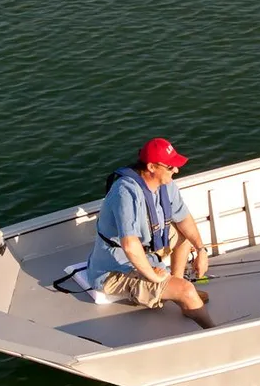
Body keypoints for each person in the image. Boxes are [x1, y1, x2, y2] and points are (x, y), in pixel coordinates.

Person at [86, 138, 214, 329]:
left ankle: (176, 289)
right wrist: (154, 277)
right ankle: (210, 327)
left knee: (184, 236)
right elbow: (130, 245)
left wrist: (201, 250)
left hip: (148, 253)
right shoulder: (125, 192)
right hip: (116, 269)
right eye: (170, 166)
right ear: (151, 167)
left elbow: (184, 219)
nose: (176, 170)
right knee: (187, 290)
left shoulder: (166, 184)